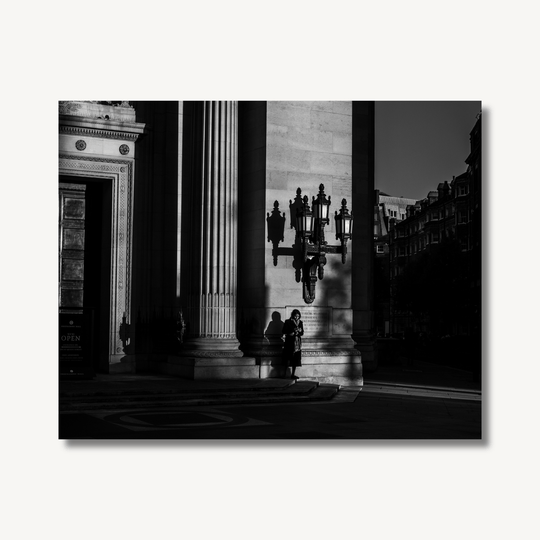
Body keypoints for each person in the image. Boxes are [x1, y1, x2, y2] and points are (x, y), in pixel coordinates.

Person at [282, 309, 304, 380]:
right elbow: (284, 330)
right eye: (295, 316)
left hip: (297, 343)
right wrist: (291, 332)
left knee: (295, 359)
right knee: (288, 358)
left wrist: (299, 331)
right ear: (293, 315)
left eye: (298, 316)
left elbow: (302, 332)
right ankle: (285, 374)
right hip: (289, 342)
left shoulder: (300, 322)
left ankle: (293, 374)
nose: (297, 317)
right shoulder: (287, 322)